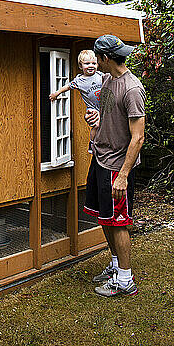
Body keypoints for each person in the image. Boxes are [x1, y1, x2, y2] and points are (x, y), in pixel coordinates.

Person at [83, 35, 145, 297]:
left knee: (119, 222)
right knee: (104, 217)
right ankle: (117, 265)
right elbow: (107, 113)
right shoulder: (108, 80)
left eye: (98, 57)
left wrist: (123, 176)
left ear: (106, 58)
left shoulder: (132, 89)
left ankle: (126, 281)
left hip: (117, 167)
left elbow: (138, 136)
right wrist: (95, 118)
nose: (96, 62)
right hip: (100, 157)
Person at [49, 49, 103, 144]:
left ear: (97, 64)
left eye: (93, 63)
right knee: (96, 125)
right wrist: (56, 94)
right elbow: (67, 87)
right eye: (87, 64)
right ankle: (92, 143)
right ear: (80, 66)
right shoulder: (79, 80)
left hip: (104, 106)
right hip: (92, 108)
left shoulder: (100, 75)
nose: (91, 66)